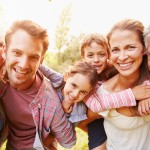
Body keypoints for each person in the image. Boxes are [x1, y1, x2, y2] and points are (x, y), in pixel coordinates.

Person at [40, 33, 150, 150]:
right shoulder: (83, 79)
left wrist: (146, 95)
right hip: (95, 119)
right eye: (90, 55)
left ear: (108, 54)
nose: (96, 60)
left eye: (101, 54)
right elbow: (96, 105)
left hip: (121, 118)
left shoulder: (116, 67)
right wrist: (132, 94)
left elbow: (141, 73)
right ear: (83, 57)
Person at [0, 20, 76, 150]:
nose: (23, 65)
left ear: (41, 60)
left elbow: (68, 142)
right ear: (4, 51)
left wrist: (71, 106)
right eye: (17, 53)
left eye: (33, 57)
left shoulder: (51, 102)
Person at [86, 18, 150, 150]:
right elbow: (83, 121)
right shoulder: (103, 92)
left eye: (130, 47)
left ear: (144, 48)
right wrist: (131, 95)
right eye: (115, 50)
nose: (122, 57)